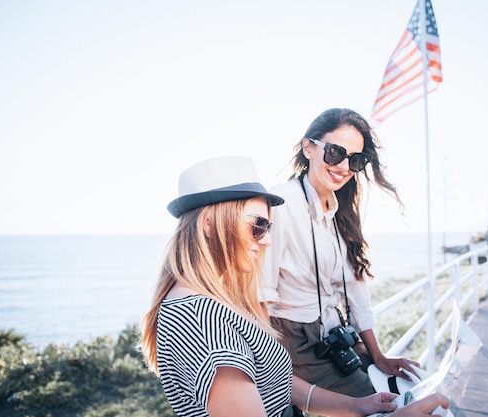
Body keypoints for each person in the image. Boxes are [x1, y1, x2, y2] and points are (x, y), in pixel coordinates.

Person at [141, 155, 450, 416]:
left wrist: (357, 406)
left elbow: (275, 381)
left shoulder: (212, 302)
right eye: (258, 226)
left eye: (269, 227)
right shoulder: (200, 320)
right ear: (210, 223)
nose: (268, 240)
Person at [261, 108, 420, 398]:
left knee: (412, 385)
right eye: (335, 153)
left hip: (334, 335)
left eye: (355, 160)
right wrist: (268, 368)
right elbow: (262, 292)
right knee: (386, 403)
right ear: (309, 148)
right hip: (294, 343)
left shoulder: (339, 212)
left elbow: (357, 295)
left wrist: (379, 356)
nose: (344, 166)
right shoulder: (282, 203)